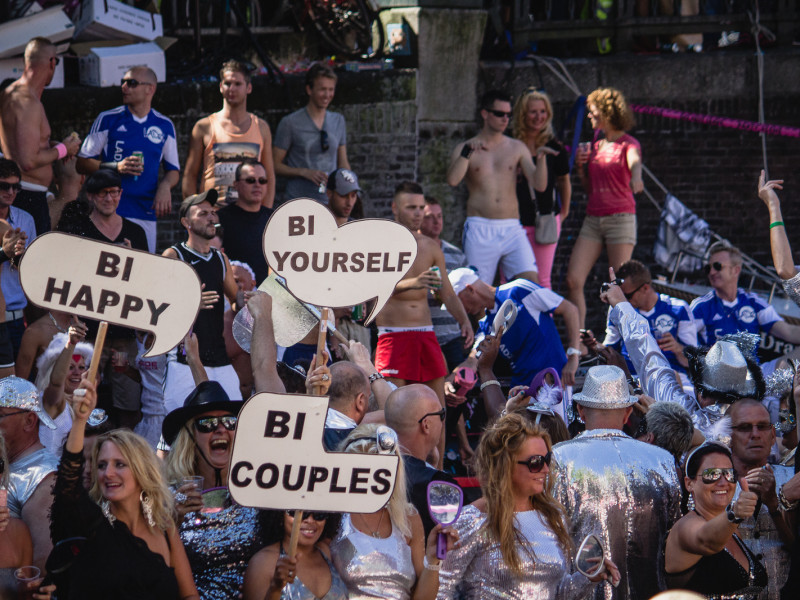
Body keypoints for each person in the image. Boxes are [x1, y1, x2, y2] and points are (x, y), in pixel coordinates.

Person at [438, 412, 619, 599]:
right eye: (535, 463)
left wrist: (588, 578)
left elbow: (559, 592)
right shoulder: (471, 520)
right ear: (505, 465)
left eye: (547, 459)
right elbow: (441, 591)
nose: (546, 469)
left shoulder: (553, 516)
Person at [51, 377, 199, 599]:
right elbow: (67, 486)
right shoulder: (92, 525)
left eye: (119, 464)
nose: (107, 473)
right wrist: (80, 421)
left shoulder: (164, 525)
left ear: (142, 472)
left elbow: (189, 595)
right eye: (101, 465)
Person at [552, 365, 682, 600]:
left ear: (580, 410)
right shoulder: (663, 460)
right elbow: (675, 535)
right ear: (628, 413)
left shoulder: (559, 457)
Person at [375, 182, 474, 466]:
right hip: (393, 335)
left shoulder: (430, 246)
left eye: (421, 208)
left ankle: (438, 472)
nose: (418, 214)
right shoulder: (381, 244)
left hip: (425, 333)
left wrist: (464, 320)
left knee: (435, 410)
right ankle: (395, 472)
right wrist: (414, 283)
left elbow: (447, 292)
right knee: (392, 410)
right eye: (411, 208)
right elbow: (374, 290)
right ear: (395, 208)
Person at [162, 379, 265, 600]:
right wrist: (172, 521)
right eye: (207, 423)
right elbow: (150, 566)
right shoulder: (169, 498)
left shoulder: (259, 489)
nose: (220, 429)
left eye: (229, 422)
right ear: (189, 437)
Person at [330, 424, 457, 599]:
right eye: (363, 470)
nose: (371, 479)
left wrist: (433, 560)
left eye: (380, 472)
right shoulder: (334, 516)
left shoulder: (408, 517)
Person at [446, 89, 550, 285]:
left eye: (509, 115)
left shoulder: (516, 147)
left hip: (511, 226)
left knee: (531, 283)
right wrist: (467, 154)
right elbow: (452, 180)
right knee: (476, 289)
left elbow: (539, 185)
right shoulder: (465, 147)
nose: (505, 119)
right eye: (500, 114)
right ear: (485, 114)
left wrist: (542, 159)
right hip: (480, 227)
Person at [77, 65, 180, 253]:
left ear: (150, 89)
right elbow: (82, 162)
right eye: (123, 82)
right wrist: (116, 166)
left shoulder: (164, 125)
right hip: (109, 207)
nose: (124, 87)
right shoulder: (108, 118)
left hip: (145, 211)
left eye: (131, 83)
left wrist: (165, 186)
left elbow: (173, 170)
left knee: (142, 271)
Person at [567, 87, 643, 335]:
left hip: (620, 218)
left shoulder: (628, 143)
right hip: (594, 217)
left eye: (593, 111)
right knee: (574, 279)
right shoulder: (596, 145)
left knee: (620, 284)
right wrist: (580, 169)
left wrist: (637, 177)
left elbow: (635, 161)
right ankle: (578, 345)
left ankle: (620, 339)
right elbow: (590, 188)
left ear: (607, 112)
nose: (589, 115)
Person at [162, 190, 241, 408]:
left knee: (232, 422)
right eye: (203, 213)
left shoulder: (220, 257)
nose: (211, 218)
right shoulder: (173, 255)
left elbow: (236, 301)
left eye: (213, 213)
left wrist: (251, 300)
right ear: (186, 222)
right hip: (183, 360)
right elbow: (156, 307)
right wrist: (191, 304)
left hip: (220, 358)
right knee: (180, 430)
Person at [446, 267, 580, 389]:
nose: (457, 309)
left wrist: (574, 356)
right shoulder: (485, 325)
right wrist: (447, 384)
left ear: (470, 289)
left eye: (457, 301)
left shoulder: (519, 289)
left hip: (553, 383)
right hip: (521, 392)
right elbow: (472, 362)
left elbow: (570, 310)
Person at [0, 37, 81, 236]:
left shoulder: (10, 93)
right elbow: (27, 160)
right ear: (52, 62)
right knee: (32, 260)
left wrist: (51, 145)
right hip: (27, 193)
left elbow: (21, 143)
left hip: (26, 191)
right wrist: (64, 149)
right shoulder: (28, 102)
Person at [664, 442, 766, 599]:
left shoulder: (733, 531)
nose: (723, 482)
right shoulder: (684, 528)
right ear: (689, 483)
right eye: (711, 474)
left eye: (729, 474)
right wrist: (735, 514)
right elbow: (707, 541)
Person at [183, 60, 276, 208]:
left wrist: (265, 214)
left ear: (249, 88)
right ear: (220, 87)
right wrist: (194, 211)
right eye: (227, 83)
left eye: (238, 84)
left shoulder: (262, 127)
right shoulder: (204, 126)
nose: (232, 88)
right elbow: (190, 175)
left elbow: (269, 176)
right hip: (214, 214)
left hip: (250, 214)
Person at [727, 399, 794, 599]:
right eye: (745, 428)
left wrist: (775, 503)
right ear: (728, 436)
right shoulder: (714, 485)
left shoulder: (792, 479)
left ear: (773, 435)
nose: (755, 434)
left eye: (762, 427)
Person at [691, 239, 800, 356]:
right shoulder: (701, 306)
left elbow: (788, 332)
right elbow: (683, 339)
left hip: (753, 371)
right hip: (714, 372)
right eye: (708, 268)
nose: (711, 272)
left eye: (717, 266)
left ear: (736, 270)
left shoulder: (753, 302)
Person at [511, 89, 571, 289]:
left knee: (542, 280)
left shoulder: (555, 147)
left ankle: (544, 320)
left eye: (543, 111)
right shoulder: (510, 144)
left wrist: (564, 212)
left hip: (544, 219)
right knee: (510, 279)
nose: (539, 117)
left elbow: (564, 180)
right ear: (523, 114)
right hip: (514, 221)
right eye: (533, 112)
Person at [384, 384, 459, 536]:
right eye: (441, 414)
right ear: (426, 425)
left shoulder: (371, 469)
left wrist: (431, 466)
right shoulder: (439, 485)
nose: (443, 421)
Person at [602, 259, 697, 378]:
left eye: (627, 296)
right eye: (621, 295)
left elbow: (693, 362)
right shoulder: (618, 309)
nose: (623, 300)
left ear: (645, 288)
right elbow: (610, 351)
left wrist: (677, 348)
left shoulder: (679, 308)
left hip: (673, 378)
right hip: (632, 377)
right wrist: (594, 345)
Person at [0, 376, 57, 571]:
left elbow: (42, 563)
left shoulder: (44, 476)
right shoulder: (7, 464)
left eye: (0, 415)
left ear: (29, 420)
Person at [273, 63, 350, 203]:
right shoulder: (290, 123)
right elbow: (275, 164)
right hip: (298, 200)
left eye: (331, 89)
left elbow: (343, 163)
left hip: (329, 201)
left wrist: (349, 189)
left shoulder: (338, 120)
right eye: (322, 89)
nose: (327, 95)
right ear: (309, 89)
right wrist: (303, 172)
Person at [242, 509, 347, 600]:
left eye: (319, 514)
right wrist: (275, 589)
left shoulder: (324, 551)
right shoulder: (262, 562)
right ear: (279, 514)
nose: (310, 520)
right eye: (297, 512)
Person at [418, 197, 469, 371]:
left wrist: (465, 321)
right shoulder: (411, 252)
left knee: (457, 391)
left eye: (439, 216)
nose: (436, 222)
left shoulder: (456, 255)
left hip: (451, 336)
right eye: (430, 217)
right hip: (422, 334)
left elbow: (463, 294)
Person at [34, 322, 91, 457]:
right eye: (70, 368)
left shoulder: (82, 403)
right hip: (51, 475)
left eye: (81, 367)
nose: (77, 373)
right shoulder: (50, 402)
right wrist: (71, 344)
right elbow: (56, 383)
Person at [57, 168, 148, 251]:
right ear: (90, 196)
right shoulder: (76, 231)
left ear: (120, 194)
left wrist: (132, 256)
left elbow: (144, 267)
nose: (108, 199)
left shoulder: (136, 232)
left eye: (113, 192)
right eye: (102, 192)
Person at [216, 159, 273, 284]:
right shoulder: (220, 219)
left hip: (269, 296)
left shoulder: (274, 218)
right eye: (250, 180)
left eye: (262, 181)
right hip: (234, 295)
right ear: (236, 185)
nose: (257, 185)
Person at [0, 159, 36, 356]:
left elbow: (33, 270)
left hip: (15, 317)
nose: (11, 192)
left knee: (18, 384)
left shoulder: (25, 220)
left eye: (16, 187)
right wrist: (5, 252)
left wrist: (20, 256)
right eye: (4, 186)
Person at [322, 360, 371, 451]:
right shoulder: (365, 445)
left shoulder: (302, 430)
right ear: (360, 401)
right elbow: (390, 414)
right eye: (368, 397)